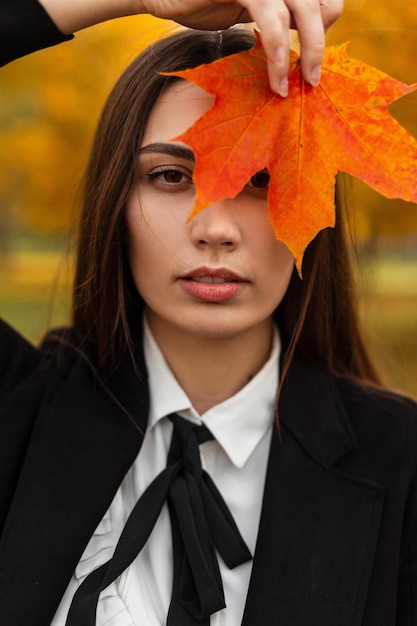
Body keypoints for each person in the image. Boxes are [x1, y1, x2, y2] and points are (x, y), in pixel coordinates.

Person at [0, 1, 416, 625]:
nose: (214, 227)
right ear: (114, 199)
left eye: (260, 179)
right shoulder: (16, 410)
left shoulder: (402, 461)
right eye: (169, 176)